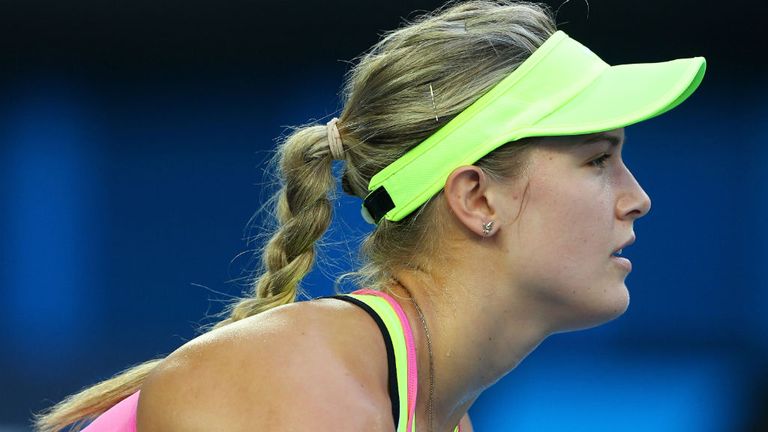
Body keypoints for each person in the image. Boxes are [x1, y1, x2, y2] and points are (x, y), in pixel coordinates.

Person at [33, 1, 706, 431]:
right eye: (597, 160)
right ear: (476, 199)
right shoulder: (291, 381)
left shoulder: (414, 407)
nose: (636, 196)